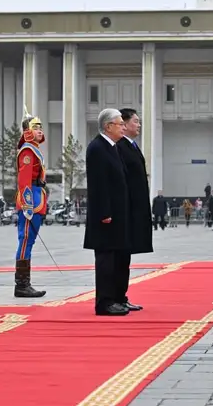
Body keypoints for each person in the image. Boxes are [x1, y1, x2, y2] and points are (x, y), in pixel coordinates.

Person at [84, 108, 132, 316]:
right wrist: (104, 212)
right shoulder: (97, 148)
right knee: (105, 260)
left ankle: (115, 298)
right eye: (120, 123)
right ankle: (104, 302)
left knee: (116, 259)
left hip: (117, 214)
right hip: (105, 216)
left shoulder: (112, 147)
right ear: (108, 126)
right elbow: (99, 184)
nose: (123, 127)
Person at [116, 108, 152, 312]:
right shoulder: (120, 147)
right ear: (125, 123)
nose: (138, 125)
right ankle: (117, 296)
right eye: (135, 121)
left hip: (135, 209)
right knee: (120, 257)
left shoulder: (132, 146)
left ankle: (122, 295)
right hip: (126, 210)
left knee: (125, 258)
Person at [13, 114, 48, 298]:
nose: (40, 130)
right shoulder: (27, 151)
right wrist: (27, 205)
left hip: (37, 195)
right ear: (27, 131)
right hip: (30, 198)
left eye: (40, 127)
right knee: (25, 239)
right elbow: (24, 179)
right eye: (35, 127)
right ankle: (21, 285)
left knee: (29, 240)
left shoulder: (34, 149)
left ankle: (25, 283)